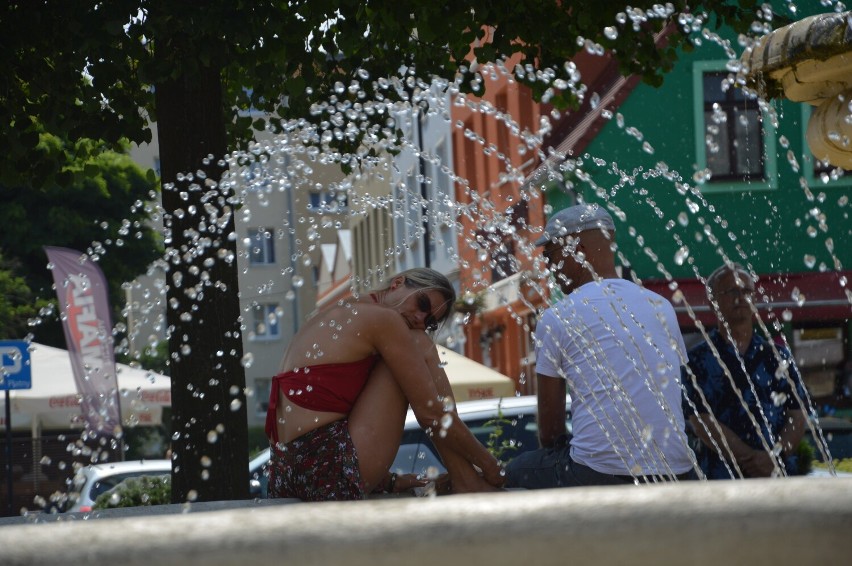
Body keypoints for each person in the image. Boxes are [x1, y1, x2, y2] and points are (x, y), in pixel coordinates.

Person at [265, 267, 505, 501]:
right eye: (422, 303)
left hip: (286, 475)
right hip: (328, 473)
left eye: (430, 321)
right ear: (397, 283)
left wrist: (388, 482)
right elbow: (431, 413)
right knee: (419, 342)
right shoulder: (385, 319)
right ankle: (466, 480)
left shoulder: (346, 309)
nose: (420, 318)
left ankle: (464, 478)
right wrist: (489, 464)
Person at [505, 203, 697, 488]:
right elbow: (676, 395)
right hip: (678, 470)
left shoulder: (558, 317)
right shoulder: (661, 306)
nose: (548, 268)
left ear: (577, 249)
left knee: (514, 470)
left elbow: (550, 431)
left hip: (597, 473)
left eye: (551, 255)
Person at [682, 263, 808, 479]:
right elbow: (701, 421)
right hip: (721, 480)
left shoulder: (777, 357)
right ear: (713, 303)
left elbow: (798, 414)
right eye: (732, 291)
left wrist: (774, 457)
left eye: (746, 291)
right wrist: (751, 459)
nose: (740, 297)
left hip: (778, 479)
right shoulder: (697, 360)